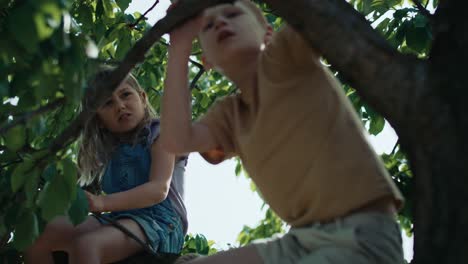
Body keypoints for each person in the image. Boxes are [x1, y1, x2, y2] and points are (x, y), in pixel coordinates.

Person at [161, 1, 405, 263]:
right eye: (207, 26)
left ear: (268, 33)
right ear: (206, 59)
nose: (220, 22)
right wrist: (180, 45)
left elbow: (317, 13)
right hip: (301, 240)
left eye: (232, 14)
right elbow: (177, 140)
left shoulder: (287, 55)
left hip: (362, 228)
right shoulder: (230, 114)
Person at [25, 69, 188, 264]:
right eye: (108, 103)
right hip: (120, 218)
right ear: (99, 120)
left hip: (161, 221)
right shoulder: (108, 152)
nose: (119, 106)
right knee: (40, 233)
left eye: (125, 94)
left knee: (87, 245)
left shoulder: (160, 133)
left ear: (143, 98)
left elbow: (158, 189)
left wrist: (102, 202)